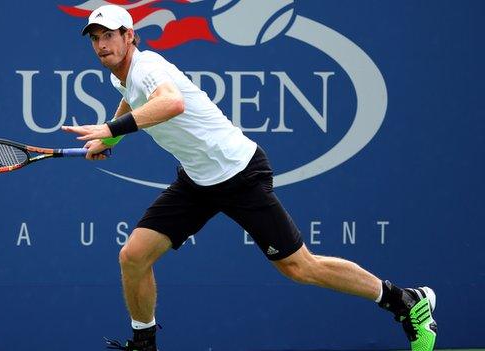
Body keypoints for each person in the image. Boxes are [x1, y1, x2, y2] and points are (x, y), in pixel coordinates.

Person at [62, 5, 437, 351]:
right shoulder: (123, 78)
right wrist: (107, 138)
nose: (101, 44)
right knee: (133, 256)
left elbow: (171, 102)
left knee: (299, 267)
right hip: (197, 181)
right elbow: (133, 101)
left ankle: (405, 301)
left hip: (238, 172)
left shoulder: (149, 66)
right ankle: (144, 344)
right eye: (95, 38)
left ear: (130, 36)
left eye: (109, 35)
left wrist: (110, 126)